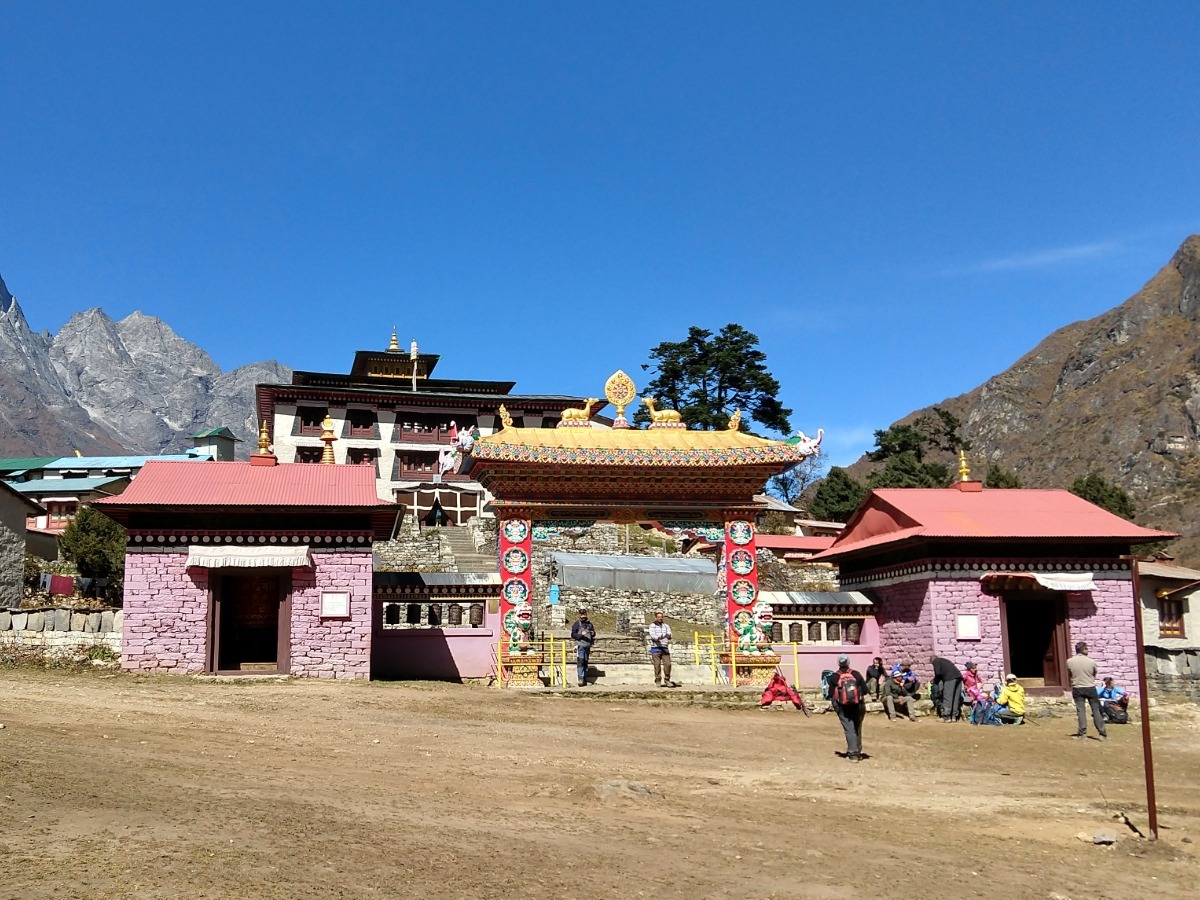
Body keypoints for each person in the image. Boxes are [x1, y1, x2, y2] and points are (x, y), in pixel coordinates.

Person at [827, 653, 868, 762]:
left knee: (849, 728)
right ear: (848, 663)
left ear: (838, 664)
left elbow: (831, 694)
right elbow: (865, 690)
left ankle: (853, 754)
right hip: (858, 705)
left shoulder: (834, 677)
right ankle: (858, 751)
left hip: (842, 707)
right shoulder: (856, 674)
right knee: (857, 727)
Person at [1066, 642, 1107, 740]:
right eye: (1087, 649)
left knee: (1081, 711)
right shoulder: (1091, 662)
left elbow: (1070, 674)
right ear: (1084, 649)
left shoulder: (1069, 661)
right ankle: (1102, 733)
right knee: (1096, 710)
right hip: (1090, 687)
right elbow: (1094, 673)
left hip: (1077, 688)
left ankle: (1082, 733)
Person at [929, 655, 963, 722]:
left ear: (931, 661)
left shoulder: (936, 661)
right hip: (959, 677)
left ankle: (946, 717)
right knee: (955, 697)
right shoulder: (944, 660)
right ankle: (953, 717)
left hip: (950, 678)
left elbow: (937, 673)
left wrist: (935, 681)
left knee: (948, 696)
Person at [648, 610, 676, 687]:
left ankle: (667, 679)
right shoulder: (652, 626)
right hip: (656, 648)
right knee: (657, 665)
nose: (660, 618)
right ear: (656, 617)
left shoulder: (666, 626)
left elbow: (670, 635)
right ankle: (658, 680)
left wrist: (667, 636)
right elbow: (653, 636)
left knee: (668, 664)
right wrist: (661, 637)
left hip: (664, 647)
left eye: (661, 617)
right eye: (659, 617)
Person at [571, 609, 596, 687]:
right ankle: (580, 679)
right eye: (582, 615)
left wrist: (593, 633)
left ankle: (584, 678)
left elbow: (593, 633)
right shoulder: (577, 624)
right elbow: (573, 634)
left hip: (587, 645)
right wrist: (581, 635)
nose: (583, 616)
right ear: (580, 615)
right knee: (581, 661)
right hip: (580, 645)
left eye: (584, 614)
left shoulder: (590, 624)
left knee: (585, 662)